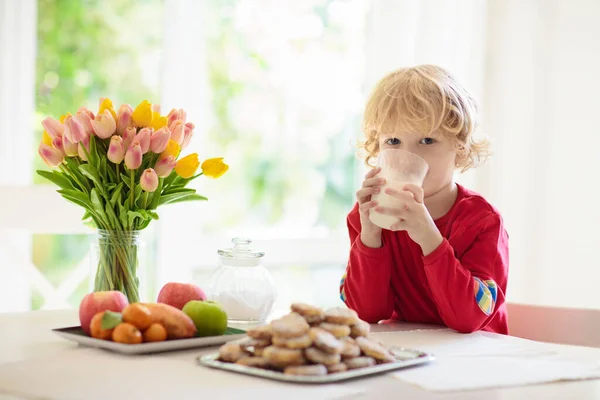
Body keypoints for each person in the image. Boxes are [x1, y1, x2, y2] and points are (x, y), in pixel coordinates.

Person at [339, 64, 509, 334]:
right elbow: (365, 314)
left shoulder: (482, 221)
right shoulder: (370, 216)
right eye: (393, 141)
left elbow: (469, 319)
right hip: (409, 356)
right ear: (377, 147)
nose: (409, 156)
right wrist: (370, 238)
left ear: (460, 147)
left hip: (475, 361)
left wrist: (429, 238)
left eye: (427, 140)